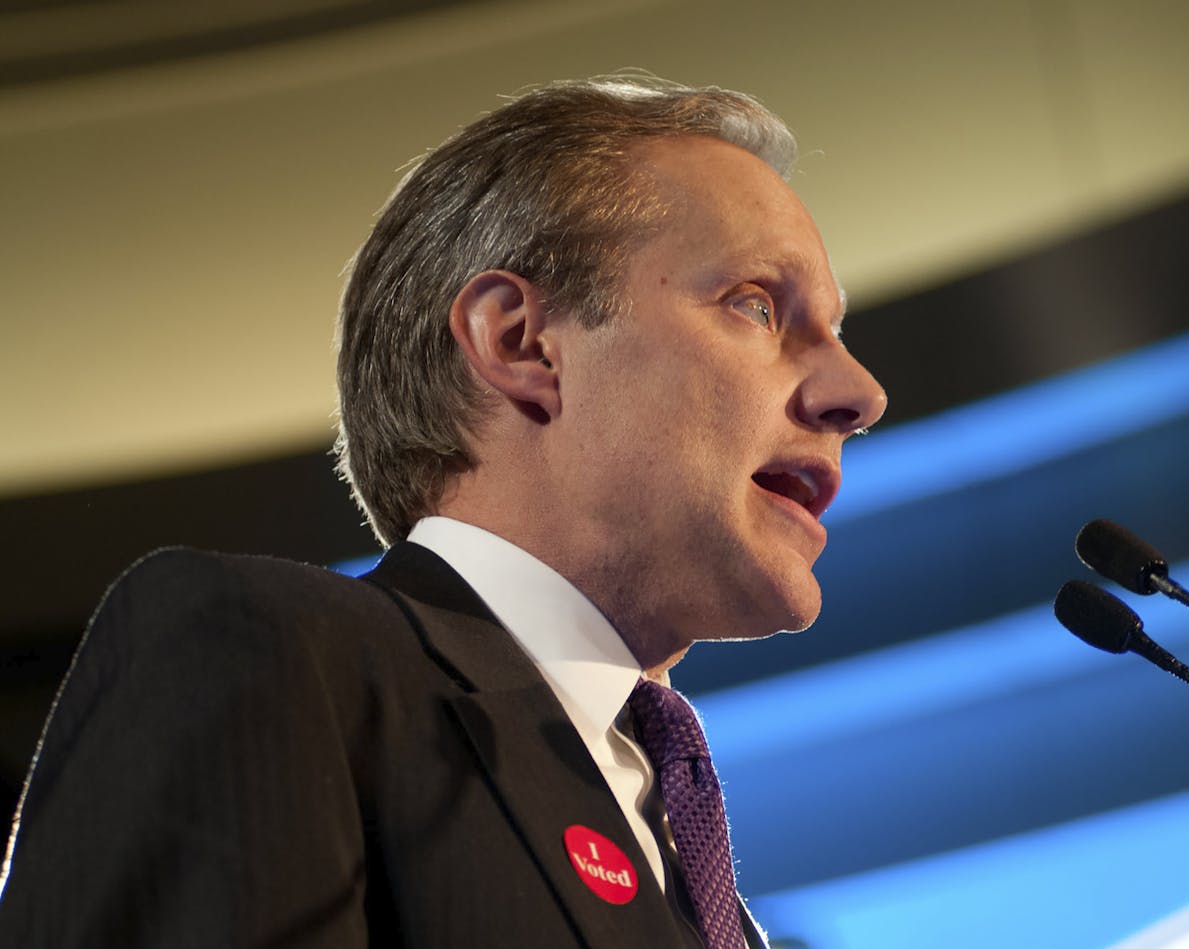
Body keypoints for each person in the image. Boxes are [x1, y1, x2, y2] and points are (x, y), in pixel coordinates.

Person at [0, 76, 886, 947]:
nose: (860, 393)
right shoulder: (261, 654)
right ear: (521, 343)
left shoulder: (683, 845)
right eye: (757, 304)